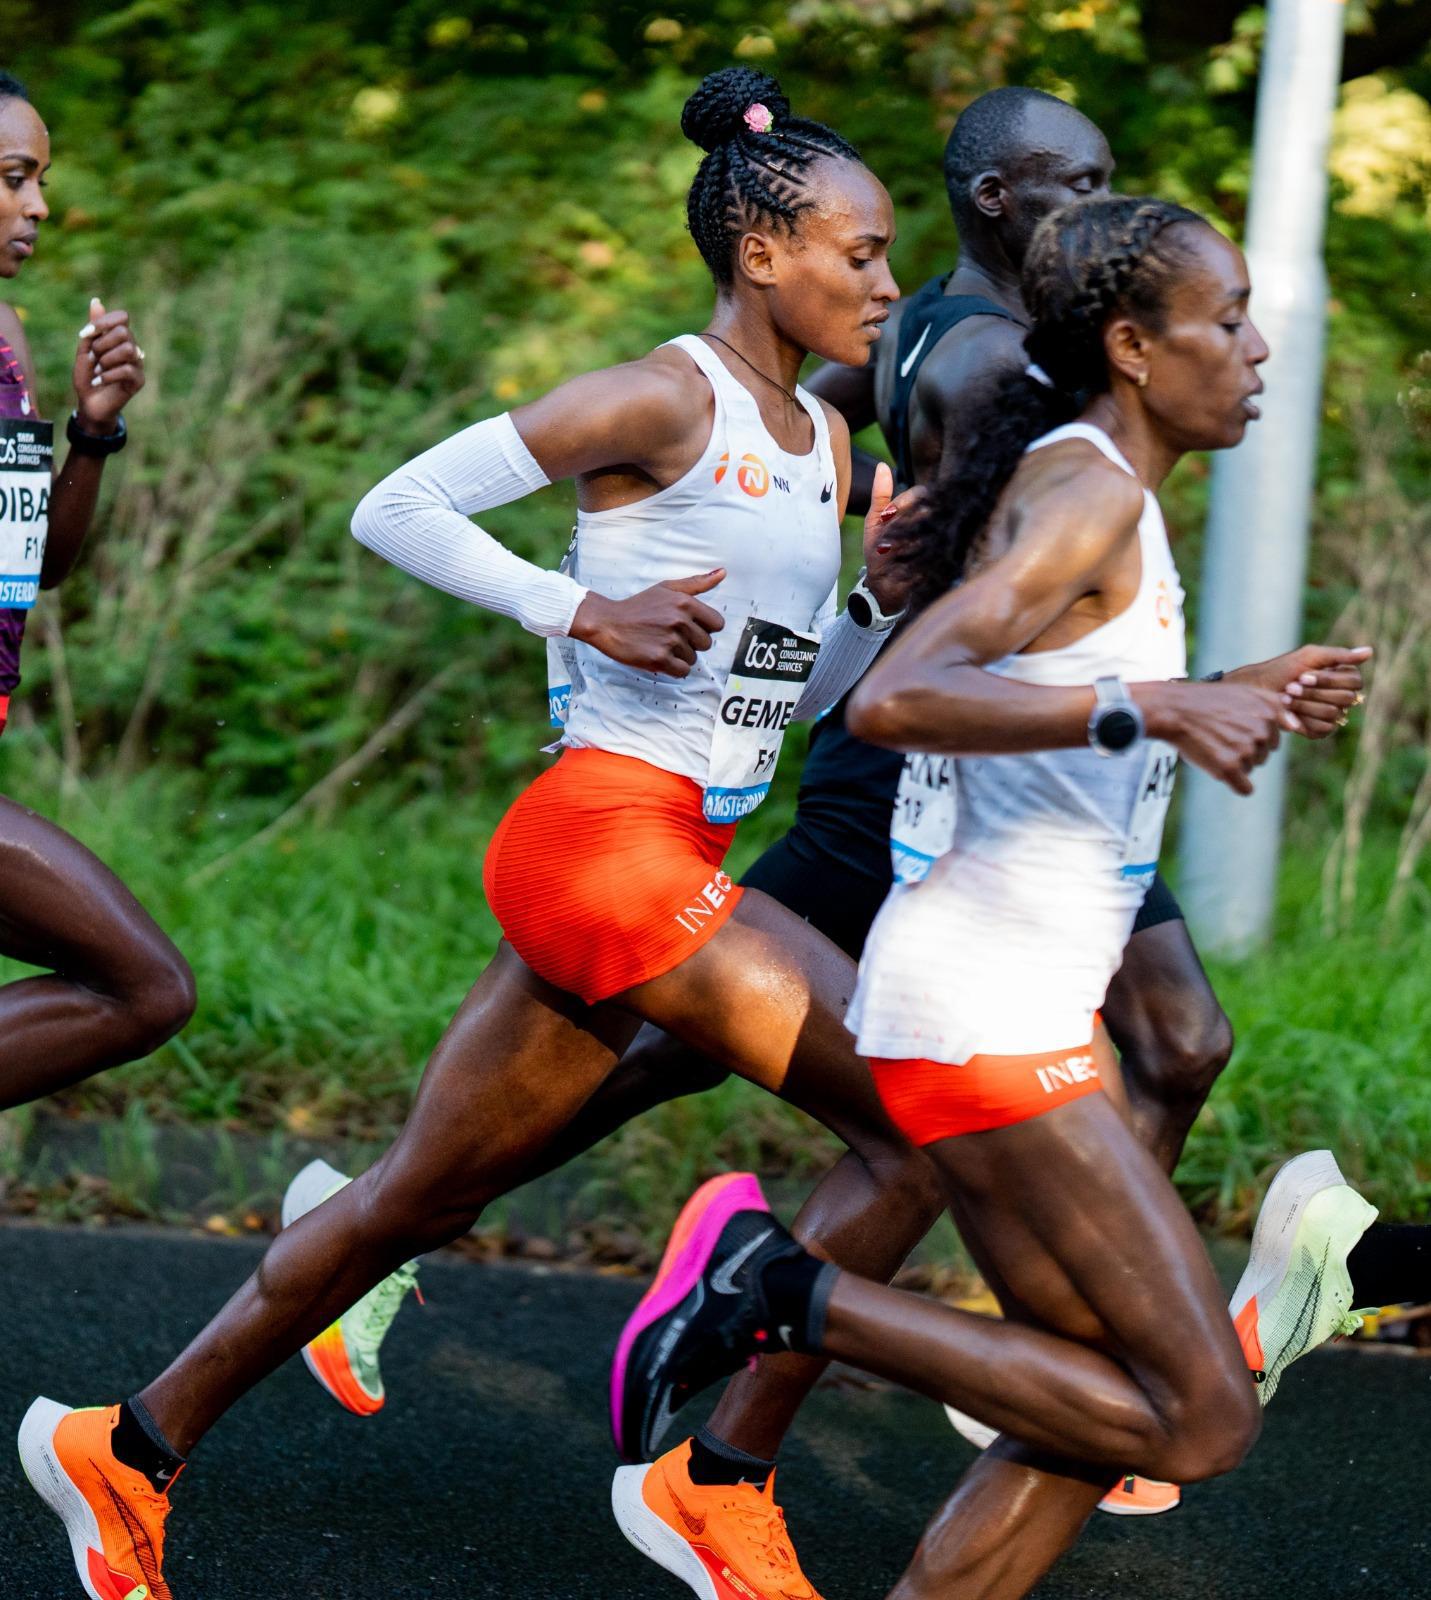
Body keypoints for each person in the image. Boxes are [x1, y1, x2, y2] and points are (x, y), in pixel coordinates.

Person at [20, 67, 956, 1600]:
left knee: (416, 1199)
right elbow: (395, 505)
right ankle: (715, 1480)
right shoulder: (663, 394)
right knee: (917, 1124)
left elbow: (775, 701)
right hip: (603, 844)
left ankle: (124, 1447)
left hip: (663, 852)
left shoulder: (817, 446)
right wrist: (575, 603)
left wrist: (872, 608)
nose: (884, 281)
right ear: (763, 254)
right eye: (858, 252)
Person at [614, 193, 1380, 1600]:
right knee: (1197, 1414)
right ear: (1135, 348)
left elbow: (1029, 690)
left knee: (1080, 1402)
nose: (1258, 350)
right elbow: (903, 694)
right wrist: (1149, 704)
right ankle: (780, 1290)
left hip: (979, 1000)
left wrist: (1216, 695)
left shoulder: (1098, 490)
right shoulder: (1085, 490)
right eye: (1226, 321)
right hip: (988, 1018)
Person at [0, 70, 194, 1112]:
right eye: (13, 177)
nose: (37, 205)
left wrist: (92, 430)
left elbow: (33, 567)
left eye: (38, 180)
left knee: (142, 989)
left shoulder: (9, 339)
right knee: (144, 986)